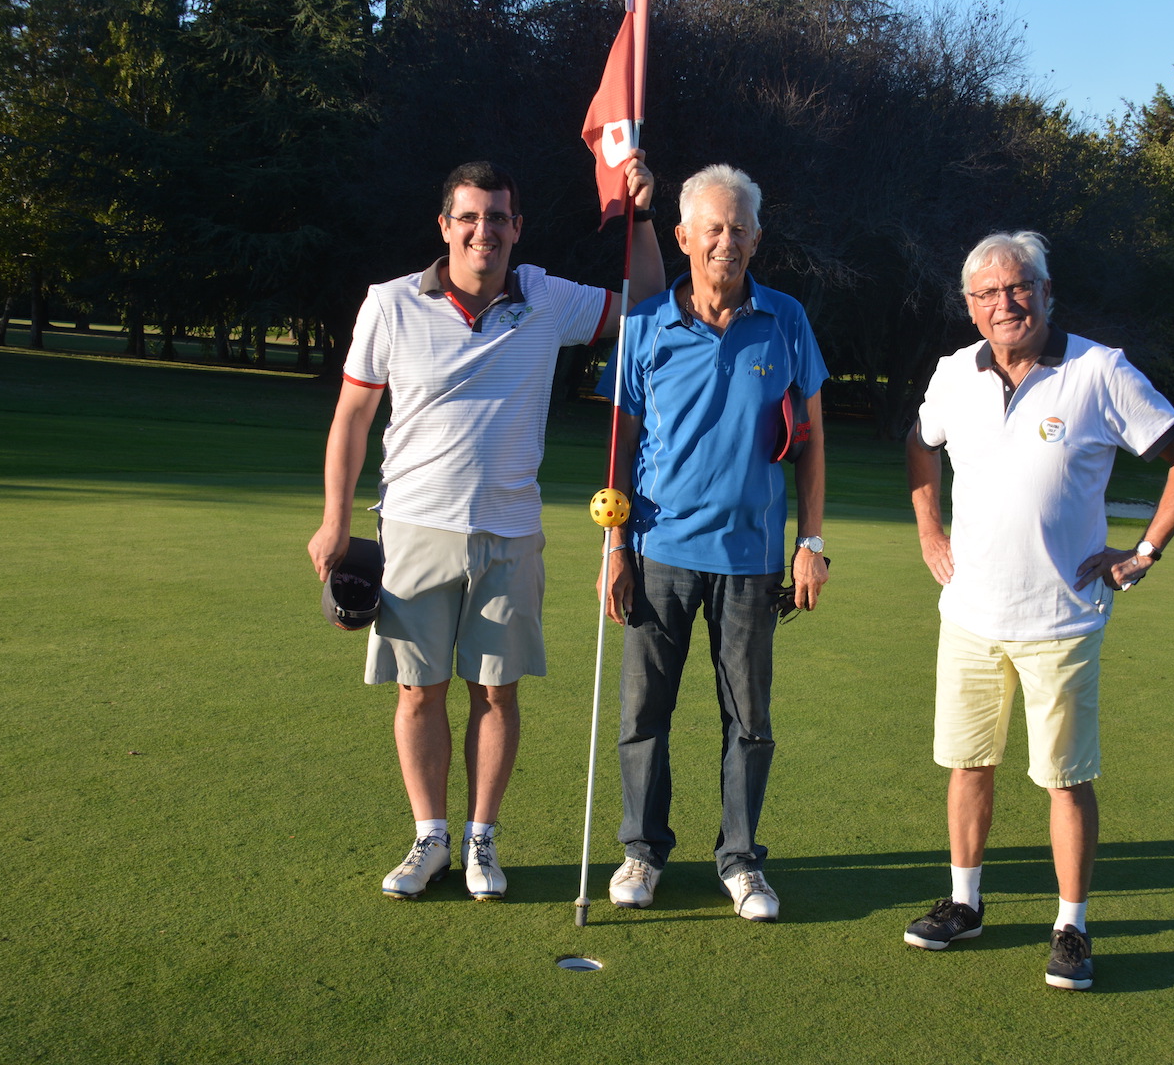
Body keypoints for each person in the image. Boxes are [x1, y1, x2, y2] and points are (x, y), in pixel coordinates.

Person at [308, 157, 664, 901]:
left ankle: (482, 843)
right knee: (418, 693)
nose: (484, 231)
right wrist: (335, 519)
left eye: (497, 217)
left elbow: (649, 300)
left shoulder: (544, 297)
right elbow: (351, 417)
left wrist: (642, 214)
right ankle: (429, 837)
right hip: (413, 528)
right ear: (445, 227)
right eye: (469, 218)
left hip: (510, 533)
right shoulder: (391, 303)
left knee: (497, 693)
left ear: (517, 228)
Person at [904, 230, 1174, 989]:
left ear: (1046, 294)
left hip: (1062, 620)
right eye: (987, 294)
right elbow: (919, 446)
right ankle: (964, 902)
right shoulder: (955, 372)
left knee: (1064, 780)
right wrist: (929, 531)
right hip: (971, 615)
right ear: (970, 306)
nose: (1004, 304)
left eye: (1019, 288)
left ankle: (1071, 925)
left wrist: (1143, 552)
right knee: (967, 766)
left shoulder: (1099, 371)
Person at [596, 164, 830, 922]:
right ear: (684, 235)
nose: (727, 241)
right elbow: (620, 447)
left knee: (750, 721)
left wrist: (811, 542)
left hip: (755, 559)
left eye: (740, 229)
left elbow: (814, 442)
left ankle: (740, 861)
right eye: (714, 227)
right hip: (660, 551)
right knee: (643, 715)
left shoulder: (786, 319)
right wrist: (616, 548)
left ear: (757, 238)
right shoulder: (643, 328)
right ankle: (642, 851)